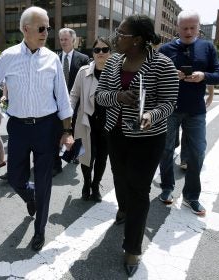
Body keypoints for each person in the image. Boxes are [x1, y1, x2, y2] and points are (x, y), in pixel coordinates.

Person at [0, 6, 74, 251]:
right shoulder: (8, 57)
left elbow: (62, 98)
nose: (46, 33)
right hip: (18, 128)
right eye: (41, 28)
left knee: (44, 183)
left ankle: (39, 230)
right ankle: (29, 196)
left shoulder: (52, 58)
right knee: (15, 178)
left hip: (46, 128)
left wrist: (67, 130)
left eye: (47, 28)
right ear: (25, 29)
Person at [95, 15, 179, 276]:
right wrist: (118, 96)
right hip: (115, 134)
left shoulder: (163, 64)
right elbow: (100, 96)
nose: (115, 37)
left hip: (147, 139)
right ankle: (123, 208)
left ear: (138, 40)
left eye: (121, 34)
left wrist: (150, 116)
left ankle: (132, 248)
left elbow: (168, 103)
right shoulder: (113, 64)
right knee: (120, 180)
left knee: (139, 191)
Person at [158, 11, 219, 215]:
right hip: (170, 109)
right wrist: (170, 75)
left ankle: (191, 196)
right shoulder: (166, 49)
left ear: (199, 27)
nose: (188, 31)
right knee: (166, 150)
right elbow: (154, 76)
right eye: (184, 27)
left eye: (192, 27)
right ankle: (167, 188)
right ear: (177, 27)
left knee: (197, 153)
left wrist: (203, 75)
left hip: (196, 110)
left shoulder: (207, 47)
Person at [70, 38, 111, 202]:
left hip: (108, 124)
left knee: (102, 157)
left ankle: (96, 185)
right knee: (85, 156)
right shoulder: (83, 71)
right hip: (86, 121)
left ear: (110, 52)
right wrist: (65, 120)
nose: (100, 53)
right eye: (97, 50)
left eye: (105, 49)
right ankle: (86, 183)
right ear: (92, 53)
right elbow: (74, 96)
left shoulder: (116, 72)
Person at [53, 28, 89, 176]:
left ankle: (74, 154)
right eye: (61, 39)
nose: (63, 42)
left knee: (75, 131)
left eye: (66, 39)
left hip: (76, 103)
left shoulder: (83, 59)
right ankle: (56, 161)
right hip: (57, 103)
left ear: (73, 40)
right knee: (57, 131)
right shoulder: (55, 58)